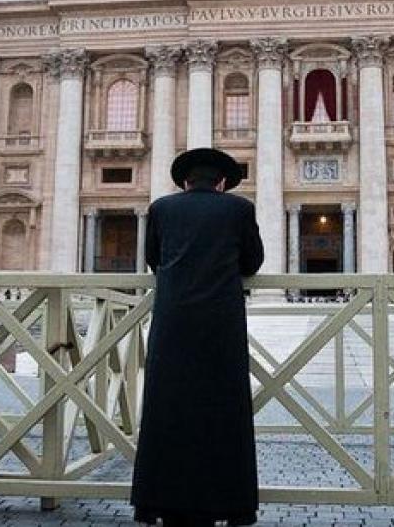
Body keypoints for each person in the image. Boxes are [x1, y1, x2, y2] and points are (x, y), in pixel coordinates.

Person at [131, 148, 264, 527]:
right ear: (221, 183)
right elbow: (252, 262)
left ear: (185, 182)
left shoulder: (161, 209)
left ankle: (154, 504)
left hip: (173, 319)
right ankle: (233, 507)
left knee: (165, 410)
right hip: (220, 322)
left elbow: (154, 258)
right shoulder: (238, 210)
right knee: (224, 411)